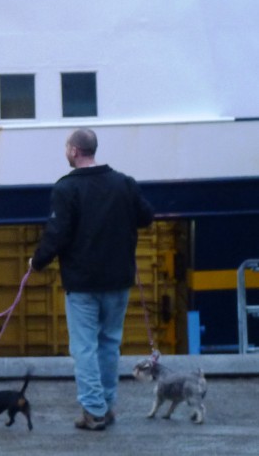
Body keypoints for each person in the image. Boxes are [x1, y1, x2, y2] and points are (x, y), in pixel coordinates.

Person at [30, 129, 153, 431]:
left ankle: (94, 411)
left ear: (73, 151)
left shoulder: (66, 189)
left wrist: (37, 262)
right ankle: (106, 406)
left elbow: (57, 234)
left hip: (83, 284)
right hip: (119, 280)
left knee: (84, 348)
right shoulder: (124, 183)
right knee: (109, 344)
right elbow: (146, 217)